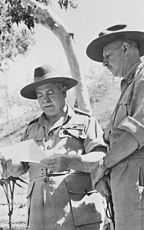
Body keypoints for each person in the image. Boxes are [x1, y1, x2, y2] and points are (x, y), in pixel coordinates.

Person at [0, 2, 108, 230]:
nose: (45, 99)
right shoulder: (31, 129)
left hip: (78, 219)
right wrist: (9, 165)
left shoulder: (85, 122)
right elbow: (21, 167)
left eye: (50, 93)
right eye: (40, 95)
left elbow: (100, 159)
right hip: (40, 220)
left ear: (64, 92)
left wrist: (70, 161)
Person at [86, 24, 144, 230]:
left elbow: (137, 132)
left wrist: (103, 165)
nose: (104, 63)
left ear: (125, 48)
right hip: (129, 187)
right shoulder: (129, 84)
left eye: (107, 55)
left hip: (143, 184)